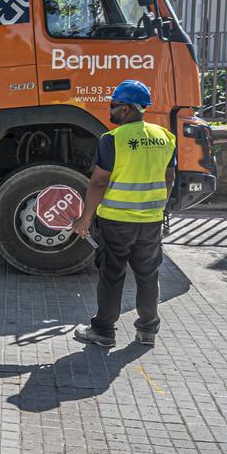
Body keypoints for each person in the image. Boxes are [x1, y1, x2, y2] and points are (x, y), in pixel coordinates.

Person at [71, 79, 176, 348]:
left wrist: (84, 219)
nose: (110, 110)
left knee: (112, 275)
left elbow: (98, 182)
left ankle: (104, 331)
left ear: (127, 109)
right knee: (148, 274)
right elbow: (169, 176)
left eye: (114, 105)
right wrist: (158, 207)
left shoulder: (113, 140)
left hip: (117, 221)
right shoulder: (164, 137)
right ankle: (147, 331)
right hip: (150, 221)